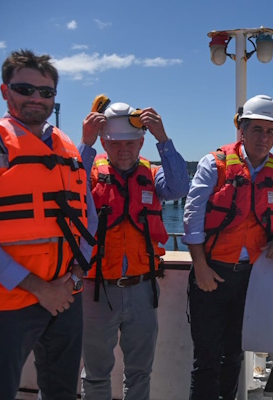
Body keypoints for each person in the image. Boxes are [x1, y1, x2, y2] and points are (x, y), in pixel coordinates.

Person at [182, 94, 273, 400]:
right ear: (241, 130)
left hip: (252, 279)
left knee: (234, 355)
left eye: (270, 131)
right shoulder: (215, 164)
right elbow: (192, 217)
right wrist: (201, 268)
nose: (264, 137)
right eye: (257, 130)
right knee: (206, 360)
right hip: (212, 275)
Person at [0, 49, 97, 400]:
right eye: (25, 89)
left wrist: (70, 279)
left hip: (65, 296)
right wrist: (39, 288)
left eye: (46, 92)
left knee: (63, 391)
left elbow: (87, 218)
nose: (36, 98)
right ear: (5, 91)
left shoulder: (68, 149)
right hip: (7, 303)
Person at [79, 98, 190, 399]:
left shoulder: (152, 175)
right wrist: (85, 144)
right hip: (96, 289)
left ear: (141, 142)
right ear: (104, 142)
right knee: (96, 373)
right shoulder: (89, 173)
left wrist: (164, 140)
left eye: (130, 142)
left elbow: (179, 188)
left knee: (140, 372)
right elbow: (68, 188)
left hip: (143, 289)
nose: (123, 149)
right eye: (115, 143)